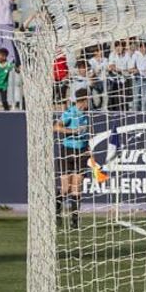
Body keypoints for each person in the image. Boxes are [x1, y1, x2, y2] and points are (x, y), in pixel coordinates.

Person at [54, 88, 93, 229]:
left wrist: (89, 149)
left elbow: (85, 135)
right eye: (88, 99)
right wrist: (72, 131)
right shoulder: (70, 113)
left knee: (77, 187)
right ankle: (57, 213)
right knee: (66, 188)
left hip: (81, 152)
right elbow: (56, 127)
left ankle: (74, 220)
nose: (90, 101)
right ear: (84, 100)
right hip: (68, 151)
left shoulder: (86, 115)